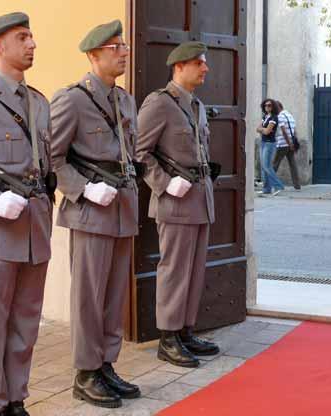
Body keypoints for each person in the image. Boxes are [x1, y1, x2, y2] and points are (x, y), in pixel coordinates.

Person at [50, 20, 141, 408]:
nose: (124, 52)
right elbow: (50, 159)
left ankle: (105, 363)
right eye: (115, 47)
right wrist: (83, 189)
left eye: (123, 46)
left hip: (121, 208)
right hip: (90, 210)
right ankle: (85, 373)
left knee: (114, 293)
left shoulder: (126, 100)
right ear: (94, 55)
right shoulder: (72, 99)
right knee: (88, 295)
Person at [0, 12, 54, 416]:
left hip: (34, 229)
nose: (32, 43)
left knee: (25, 321)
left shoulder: (39, 103)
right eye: (23, 37)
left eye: (32, 36)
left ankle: (15, 398)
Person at [136, 41, 220, 369]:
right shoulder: (159, 104)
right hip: (175, 202)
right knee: (174, 270)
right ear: (179, 66)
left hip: (200, 200)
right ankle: (168, 338)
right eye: (199, 63)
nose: (205, 68)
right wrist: (164, 182)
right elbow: (139, 152)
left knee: (195, 270)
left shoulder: (196, 105)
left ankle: (185, 330)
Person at [257, 99, 284, 195]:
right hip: (263, 142)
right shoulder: (265, 116)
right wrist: (263, 129)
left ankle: (278, 186)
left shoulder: (274, 118)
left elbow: (267, 131)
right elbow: (258, 128)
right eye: (265, 105)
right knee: (263, 167)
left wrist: (263, 129)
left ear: (273, 107)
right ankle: (266, 189)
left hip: (270, 144)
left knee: (267, 166)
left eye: (269, 105)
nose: (267, 107)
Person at [273, 101, 300, 190]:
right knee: (293, 164)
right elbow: (295, 131)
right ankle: (297, 185)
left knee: (274, 164)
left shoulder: (280, 116)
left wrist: (289, 143)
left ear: (278, 107)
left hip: (283, 144)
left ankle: (269, 184)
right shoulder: (290, 115)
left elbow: (284, 131)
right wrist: (293, 143)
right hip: (290, 143)